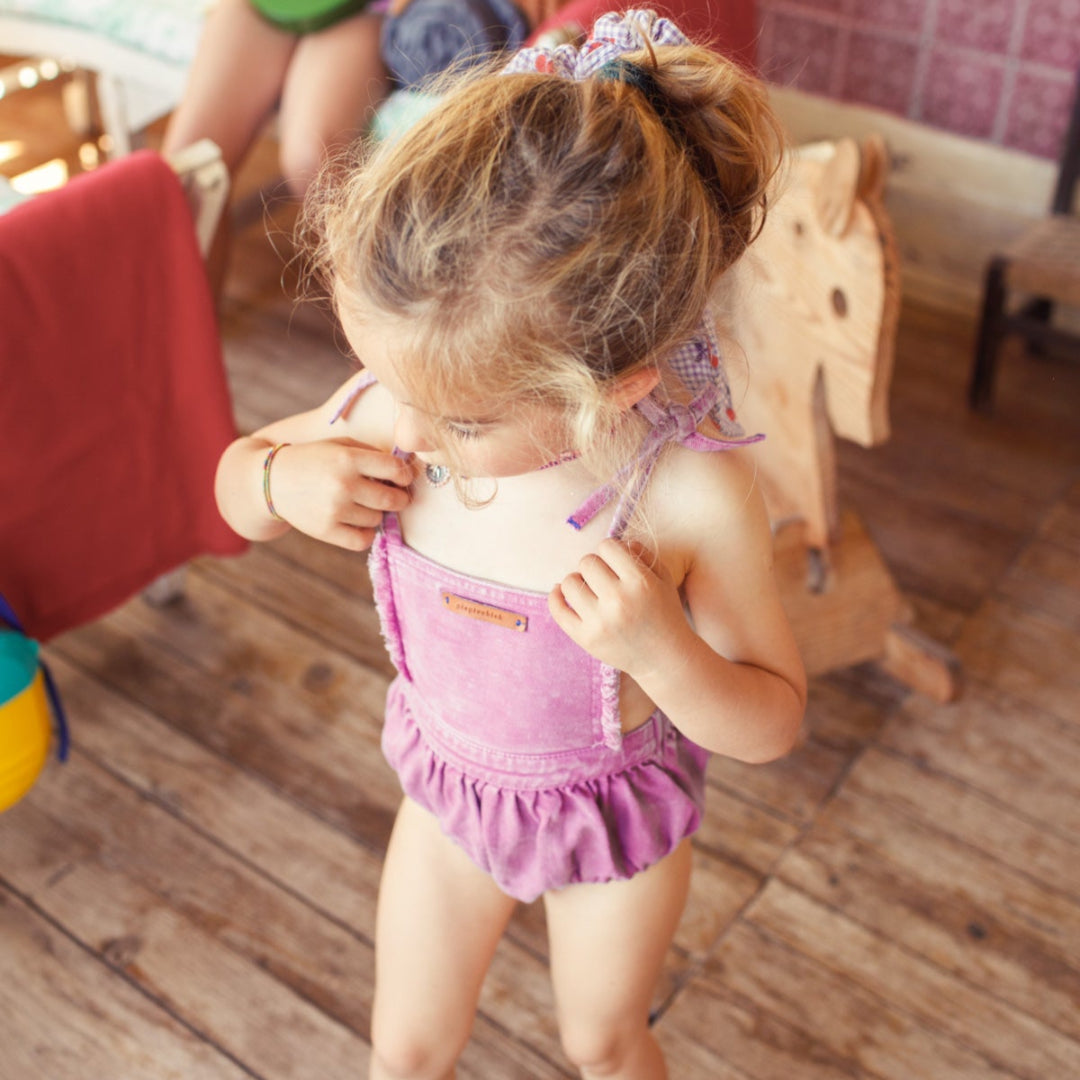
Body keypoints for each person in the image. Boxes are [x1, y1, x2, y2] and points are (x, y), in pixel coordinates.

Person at [214, 10, 806, 1077]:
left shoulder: (687, 495)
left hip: (608, 826)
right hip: (449, 797)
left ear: (613, 388)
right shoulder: (407, 395)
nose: (410, 431)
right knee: (404, 1051)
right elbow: (232, 488)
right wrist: (273, 476)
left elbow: (771, 723)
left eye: (466, 424)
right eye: (391, 386)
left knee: (605, 1042)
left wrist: (661, 648)